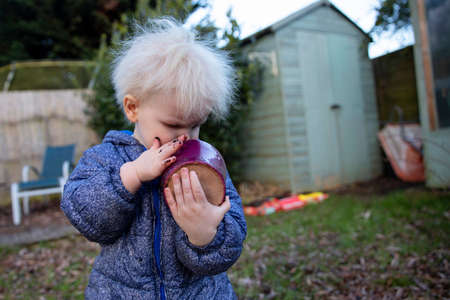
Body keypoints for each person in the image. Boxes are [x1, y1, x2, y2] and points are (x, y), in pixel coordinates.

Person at [61, 18, 247, 299]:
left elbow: (229, 243)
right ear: (133, 108)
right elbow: (86, 217)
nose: (186, 138)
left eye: (196, 125)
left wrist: (205, 233)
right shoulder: (107, 158)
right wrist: (131, 175)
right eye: (173, 125)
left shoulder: (208, 166)